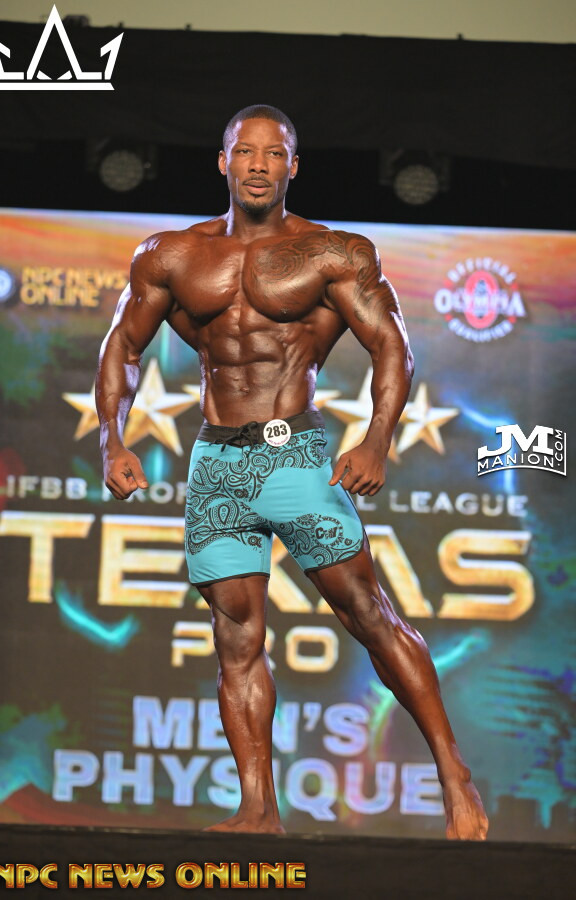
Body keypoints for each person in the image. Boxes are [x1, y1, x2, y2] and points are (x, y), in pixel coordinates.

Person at [96, 104, 488, 840]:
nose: (257, 165)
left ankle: (452, 773)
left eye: (273, 154)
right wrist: (112, 441)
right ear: (223, 162)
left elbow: (393, 346)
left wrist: (376, 441)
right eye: (245, 152)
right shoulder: (171, 254)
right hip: (217, 462)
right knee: (235, 636)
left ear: (292, 167)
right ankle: (258, 810)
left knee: (368, 614)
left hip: (296, 455)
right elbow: (123, 346)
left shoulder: (331, 253)